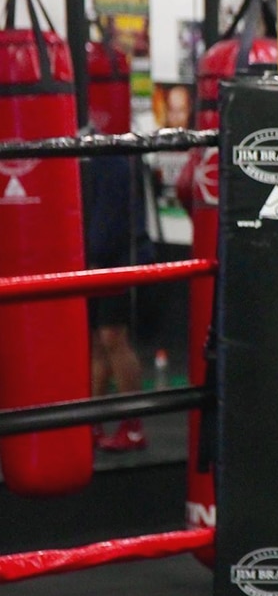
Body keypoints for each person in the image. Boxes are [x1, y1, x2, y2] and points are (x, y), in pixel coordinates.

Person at [86, 154, 154, 451]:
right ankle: (91, 423)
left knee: (113, 338)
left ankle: (133, 426)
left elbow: (108, 224)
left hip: (118, 259)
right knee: (98, 343)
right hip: (96, 259)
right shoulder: (85, 157)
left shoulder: (113, 158)